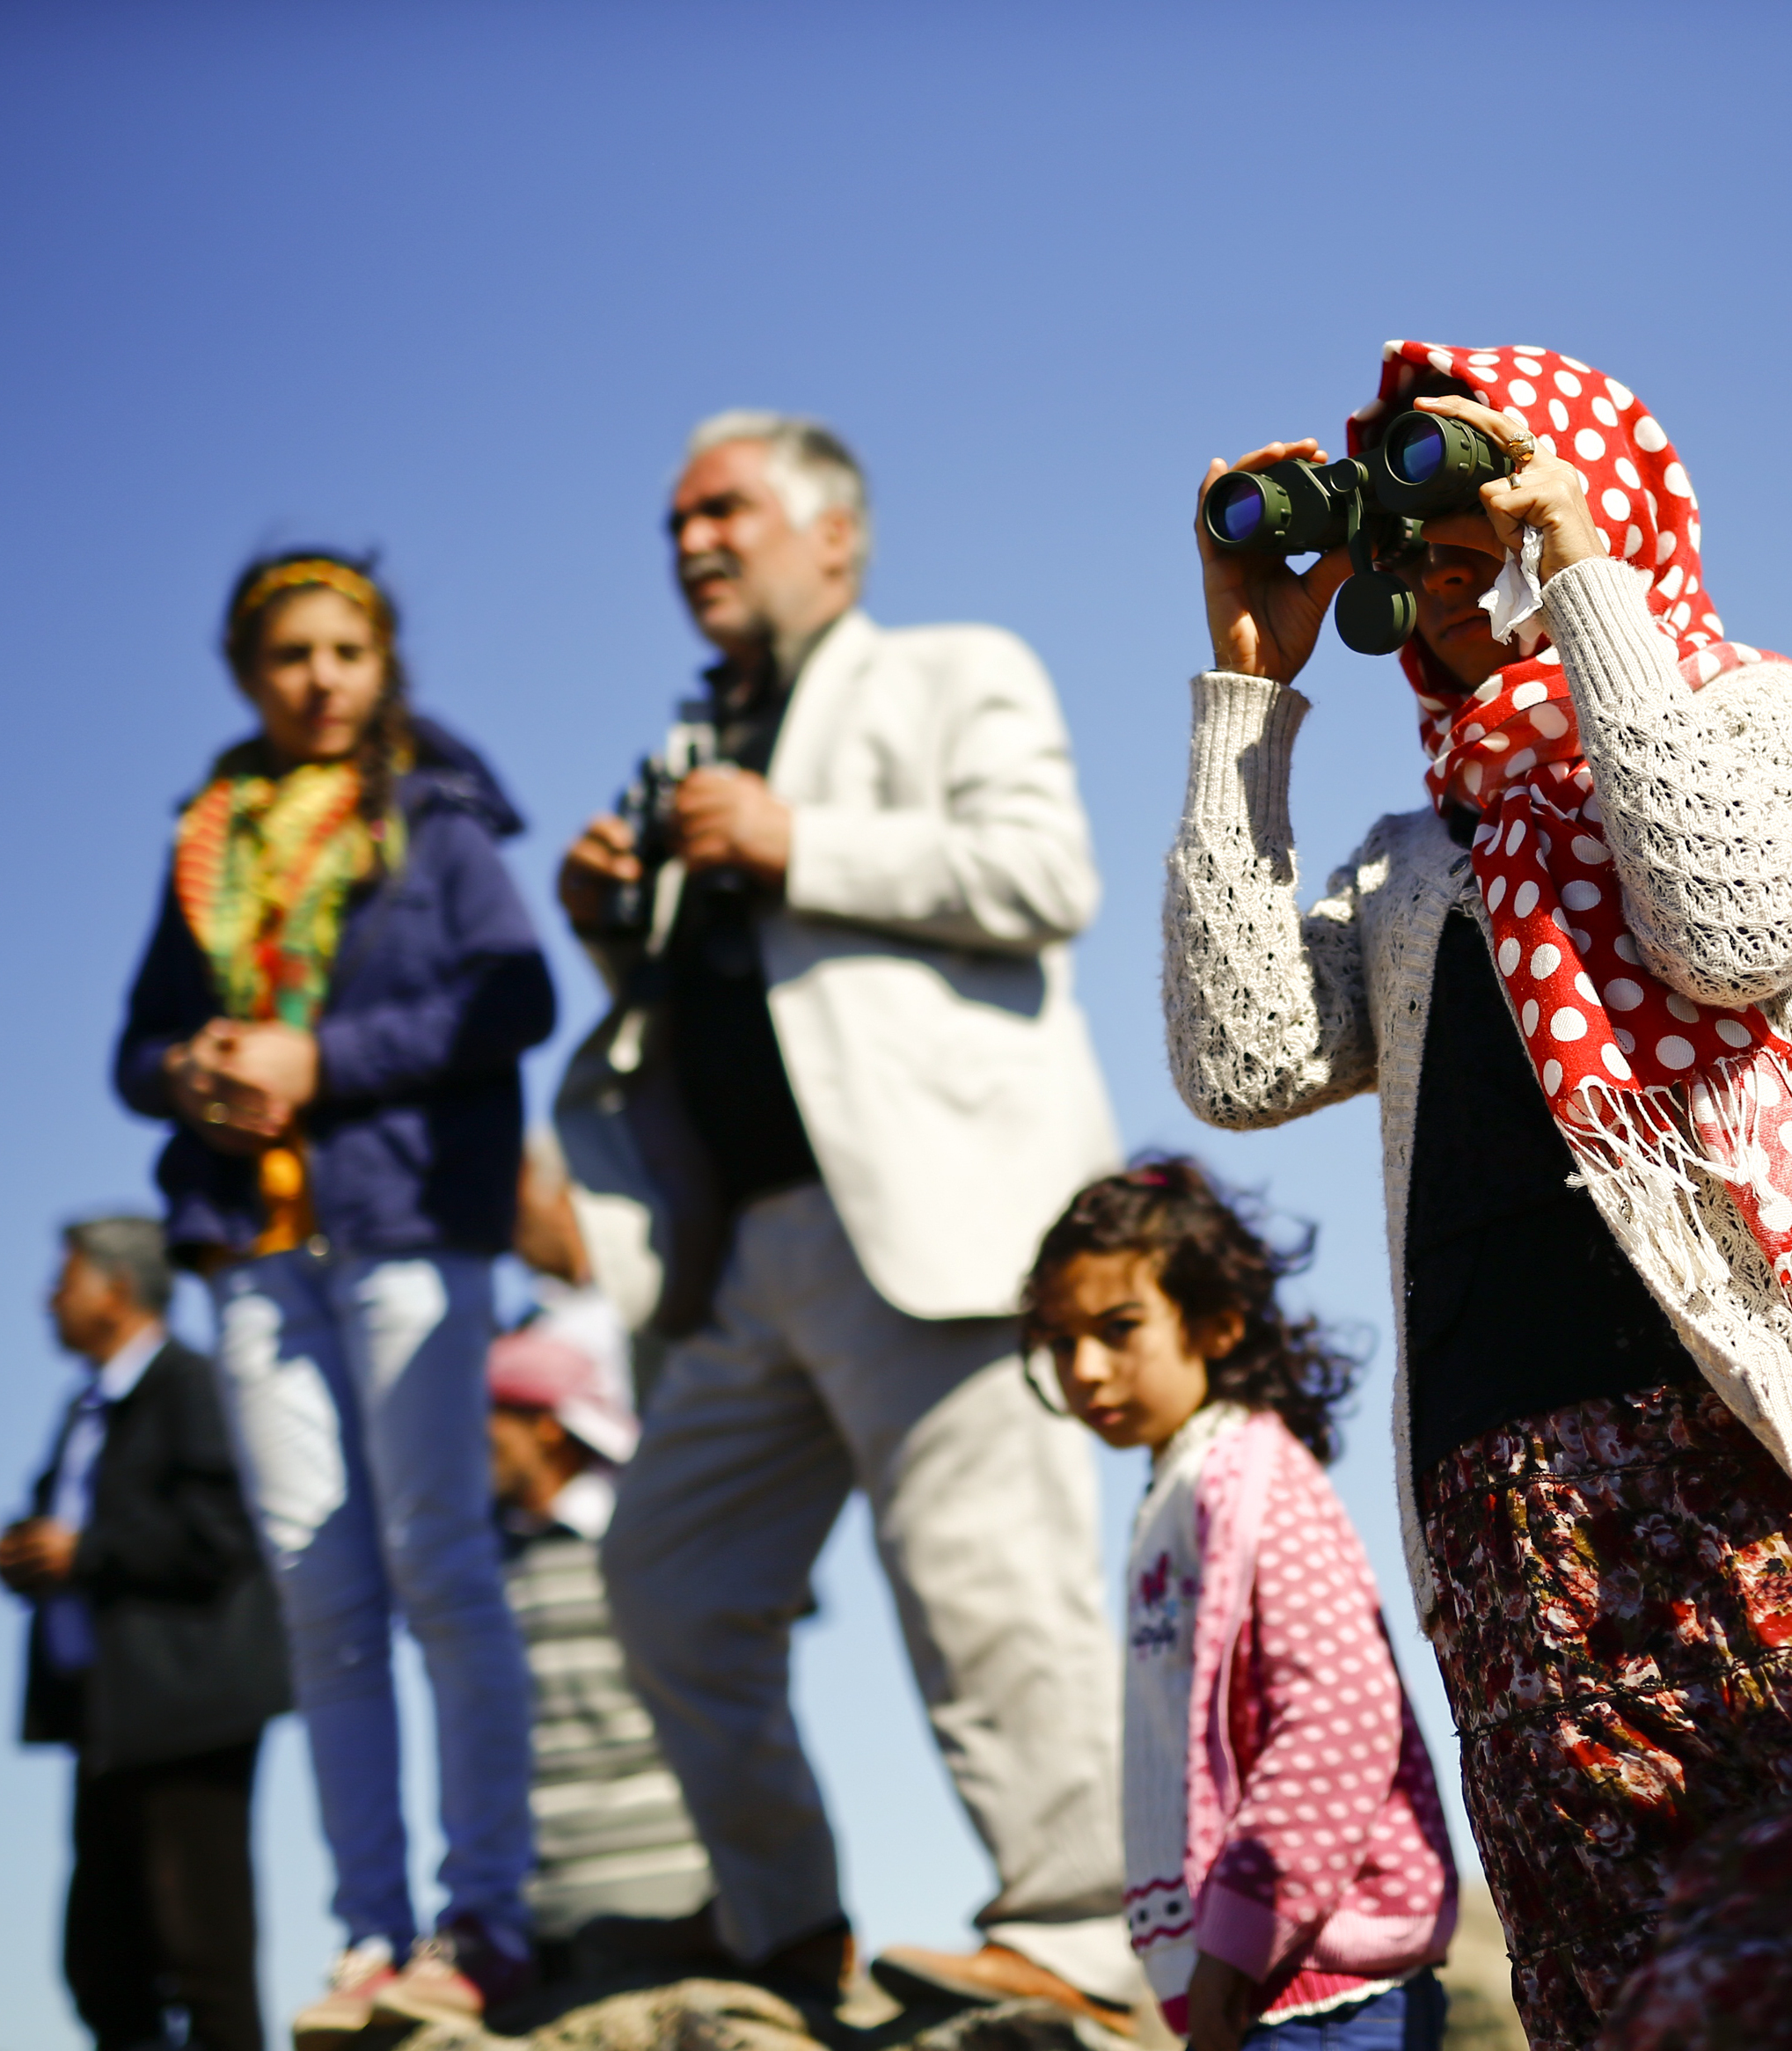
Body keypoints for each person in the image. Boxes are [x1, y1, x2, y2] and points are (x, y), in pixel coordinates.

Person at [1160, 341, 1792, 2048]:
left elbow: (1720, 922)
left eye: (1462, 504)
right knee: (1615, 1980)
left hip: (1788, 1485)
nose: (1432, 564)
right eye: (1407, 533)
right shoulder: (1419, 859)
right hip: (1519, 1541)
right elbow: (1242, 1053)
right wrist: (1245, 702)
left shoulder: (1762, 719)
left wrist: (1582, 577)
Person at [560, 413, 1132, 2024]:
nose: (692, 544)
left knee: (989, 1583)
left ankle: (1085, 1939)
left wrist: (791, 838)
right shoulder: (694, 745)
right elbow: (733, 997)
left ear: (837, 535)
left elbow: (1044, 873)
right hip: (741, 1245)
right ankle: (782, 1932)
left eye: (723, 510)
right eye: (675, 523)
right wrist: (621, 924)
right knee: (665, 1578)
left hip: (938, 1220)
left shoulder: (954, 669)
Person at [113, 551, 558, 2041]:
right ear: (248, 672)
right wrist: (189, 1074)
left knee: (442, 1564)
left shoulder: (435, 814)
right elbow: (134, 1049)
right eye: (290, 654)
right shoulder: (208, 838)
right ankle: (372, 1936)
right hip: (254, 1247)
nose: (319, 678)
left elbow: (518, 995)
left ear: (382, 665)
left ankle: (485, 1917)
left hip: (407, 1221)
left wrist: (325, 1064)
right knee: (321, 1592)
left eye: (345, 650)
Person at [1023, 1161, 1455, 2051]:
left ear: (1217, 1322)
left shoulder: (1254, 1481)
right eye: (1061, 1341)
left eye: (1117, 1329)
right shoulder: (1178, 1487)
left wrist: (1239, 1937)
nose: (1085, 1369)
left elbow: (1339, 1715)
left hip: (1324, 1996)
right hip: (1265, 1988)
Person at [4, 1217, 289, 2051]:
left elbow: (222, 1533)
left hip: (187, 1709)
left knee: (204, 1949)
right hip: (107, 1716)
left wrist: (86, 1551)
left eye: (63, 1283)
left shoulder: (189, 1386)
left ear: (116, 1290)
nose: (48, 1302)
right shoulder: (85, 1407)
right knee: (103, 1957)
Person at [487, 1319, 715, 1981]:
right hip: (543, 1917)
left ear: (547, 1426)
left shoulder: (648, 1546)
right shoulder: (480, 1573)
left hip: (674, 1900)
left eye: (491, 1417)